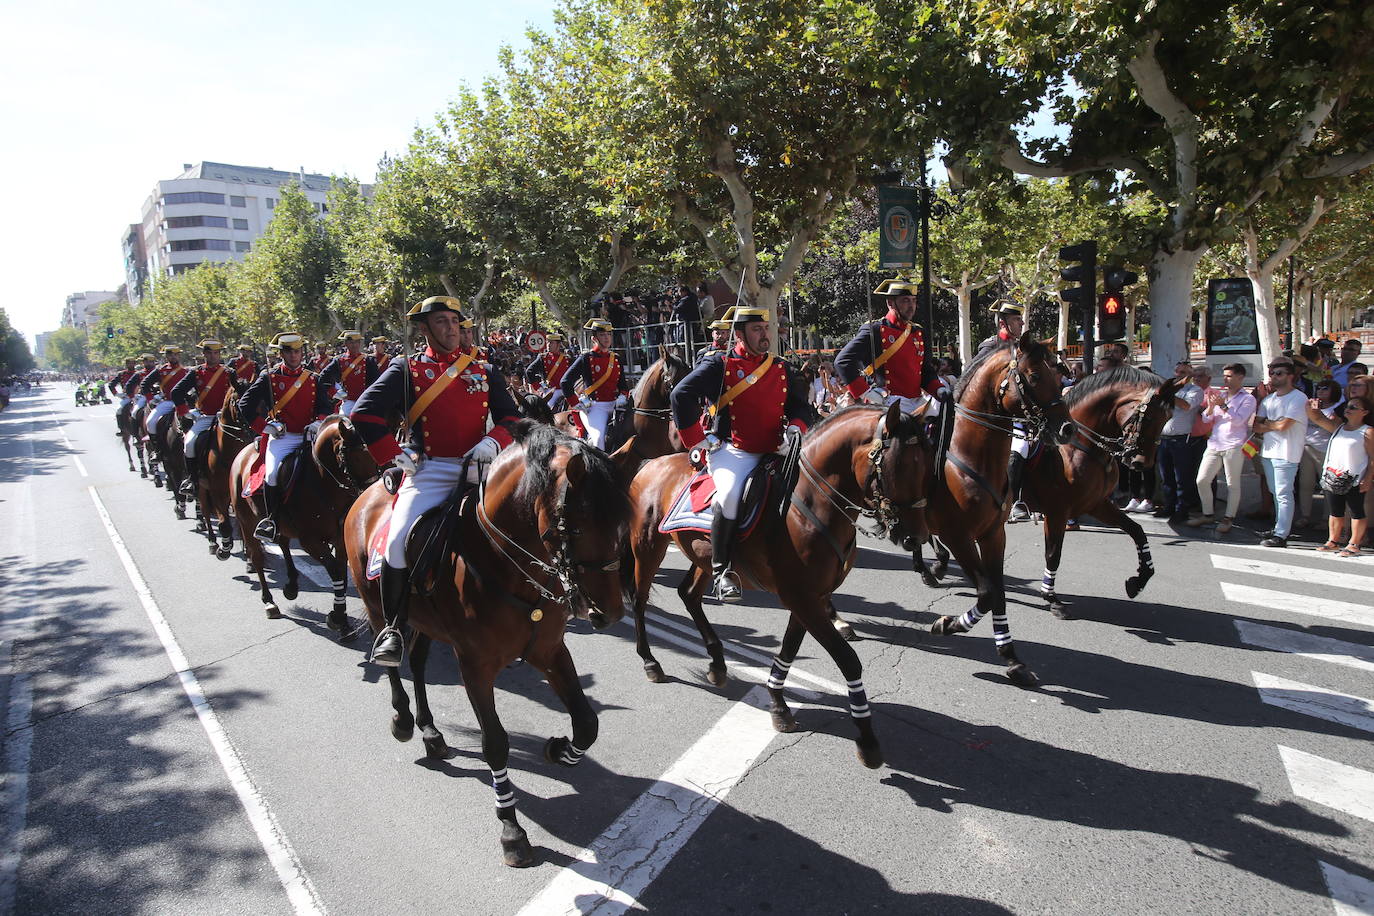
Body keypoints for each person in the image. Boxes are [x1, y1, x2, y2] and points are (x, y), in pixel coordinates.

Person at [349, 296, 521, 666]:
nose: (452, 329)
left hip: (482, 467)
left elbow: (511, 418)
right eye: (442, 322)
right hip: (431, 470)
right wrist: (393, 455)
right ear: (424, 329)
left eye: (455, 322)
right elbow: (364, 413)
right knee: (396, 542)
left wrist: (494, 441)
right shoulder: (406, 370)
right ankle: (393, 627)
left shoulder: (483, 369)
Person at [671, 307, 810, 602]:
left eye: (766, 329)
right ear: (740, 334)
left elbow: (799, 406)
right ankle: (722, 572)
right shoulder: (719, 365)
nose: (765, 336)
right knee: (730, 495)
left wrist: (796, 427)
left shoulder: (782, 367)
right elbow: (680, 395)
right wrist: (695, 440)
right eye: (757, 330)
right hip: (733, 451)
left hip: (776, 448)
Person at [236, 332, 333, 543]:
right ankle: (272, 521)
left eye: (297, 351)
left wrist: (319, 421)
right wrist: (265, 427)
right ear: (281, 353)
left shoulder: (313, 378)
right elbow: (244, 405)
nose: (294, 356)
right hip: (283, 437)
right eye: (288, 352)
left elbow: (325, 406)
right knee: (271, 475)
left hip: (310, 435)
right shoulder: (268, 377)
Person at [834, 277, 943, 415]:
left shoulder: (918, 332)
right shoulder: (875, 329)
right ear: (890, 303)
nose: (911, 305)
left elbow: (925, 370)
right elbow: (843, 361)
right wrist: (866, 392)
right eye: (905, 300)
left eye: (913, 300)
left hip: (917, 401)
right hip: (888, 402)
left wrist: (938, 388)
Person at [1189, 363, 1256, 534]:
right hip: (1214, 443)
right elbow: (1205, 420)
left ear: (1240, 377)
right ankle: (1208, 513)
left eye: (1229, 376)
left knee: (1232, 484)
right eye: (1224, 375)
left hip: (1234, 445)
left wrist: (1224, 406)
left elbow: (1239, 420)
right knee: (1202, 480)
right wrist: (1211, 408)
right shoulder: (1221, 395)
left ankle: (1228, 518)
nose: (1225, 379)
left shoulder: (1247, 399)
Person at [1306, 394, 1374, 556]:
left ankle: (1354, 543)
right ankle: (1333, 540)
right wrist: (1313, 408)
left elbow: (1373, 457)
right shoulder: (1339, 427)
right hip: (1333, 476)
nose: (1347, 410)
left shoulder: (1368, 431)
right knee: (1335, 510)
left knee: (1356, 511)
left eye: (1353, 407)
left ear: (1364, 412)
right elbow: (1317, 418)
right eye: (1347, 406)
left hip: (1354, 478)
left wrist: (1368, 478)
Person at [1252, 359, 1309, 547]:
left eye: (1280, 373)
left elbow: (1284, 426)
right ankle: (1279, 527)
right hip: (1269, 451)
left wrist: (1268, 424)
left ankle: (1281, 534)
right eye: (1273, 373)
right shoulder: (1268, 399)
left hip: (1287, 453)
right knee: (1275, 492)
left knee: (1284, 494)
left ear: (1290, 376)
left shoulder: (1298, 398)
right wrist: (1272, 424)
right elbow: (1255, 426)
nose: (1274, 377)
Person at [170, 339, 232, 495]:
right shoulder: (195, 372)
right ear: (204, 354)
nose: (213, 356)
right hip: (205, 417)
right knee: (189, 443)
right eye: (209, 353)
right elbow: (176, 392)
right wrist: (185, 411)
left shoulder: (229, 372)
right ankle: (192, 480)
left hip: (226, 419)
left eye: (216, 353)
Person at [561, 318, 630, 448]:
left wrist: (623, 395)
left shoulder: (616, 358)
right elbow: (565, 382)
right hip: (596, 407)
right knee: (598, 440)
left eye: (609, 334)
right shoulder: (586, 358)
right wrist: (575, 403)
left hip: (616, 405)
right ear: (594, 338)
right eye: (602, 335)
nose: (606, 338)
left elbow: (623, 385)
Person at [1155, 361, 1204, 522]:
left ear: (1190, 375)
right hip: (1164, 438)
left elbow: (1185, 406)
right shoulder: (1170, 389)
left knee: (1182, 477)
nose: (1179, 375)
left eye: (1183, 372)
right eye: (1177, 371)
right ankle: (1169, 506)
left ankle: (1182, 509)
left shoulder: (1195, 390)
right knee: (1166, 476)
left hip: (1182, 439)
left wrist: (1168, 393)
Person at [1298, 379, 1344, 526]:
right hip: (1306, 448)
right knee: (1305, 484)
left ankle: (1326, 518)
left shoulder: (1336, 409)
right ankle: (1305, 515)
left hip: (1325, 451)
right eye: (1318, 388)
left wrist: (1318, 415)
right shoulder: (1309, 406)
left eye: (1325, 388)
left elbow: (1334, 428)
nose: (1321, 391)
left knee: (1327, 486)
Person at [318, 330, 380, 416]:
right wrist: (337, 394)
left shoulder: (369, 360)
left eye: (356, 342)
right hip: (349, 402)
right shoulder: (338, 360)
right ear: (345, 343)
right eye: (351, 342)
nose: (354, 345)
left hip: (367, 400)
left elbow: (377, 381)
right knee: (343, 423)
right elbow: (322, 378)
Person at [139, 345, 191, 436]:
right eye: (170, 355)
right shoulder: (160, 370)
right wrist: (150, 399)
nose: (173, 357)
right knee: (150, 422)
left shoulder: (186, 371)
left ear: (179, 356)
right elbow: (144, 384)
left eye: (176, 354)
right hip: (168, 402)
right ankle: (156, 446)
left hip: (184, 402)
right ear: (166, 356)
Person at [524, 331, 571, 408]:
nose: (548, 345)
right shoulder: (543, 358)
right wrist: (538, 387)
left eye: (551, 343)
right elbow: (529, 371)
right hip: (551, 391)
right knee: (548, 408)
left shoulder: (567, 359)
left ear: (558, 344)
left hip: (566, 390)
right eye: (547, 342)